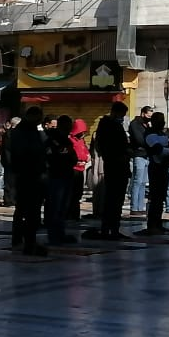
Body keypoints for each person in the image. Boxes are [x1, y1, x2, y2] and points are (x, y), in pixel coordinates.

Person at [9, 107, 47, 254]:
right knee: (25, 211)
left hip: (34, 175)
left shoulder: (31, 131)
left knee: (32, 212)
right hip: (26, 176)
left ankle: (28, 240)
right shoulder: (22, 132)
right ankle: (22, 241)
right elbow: (25, 153)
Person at [93, 102, 130, 239]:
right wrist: (121, 153)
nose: (122, 117)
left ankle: (113, 228)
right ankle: (108, 229)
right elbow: (105, 146)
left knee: (116, 200)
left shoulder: (114, 125)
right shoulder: (107, 126)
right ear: (115, 112)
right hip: (114, 166)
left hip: (119, 165)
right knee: (112, 200)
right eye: (122, 115)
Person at [43, 115, 77, 246]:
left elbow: (71, 156)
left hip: (66, 174)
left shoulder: (65, 140)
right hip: (56, 175)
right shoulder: (53, 139)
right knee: (55, 206)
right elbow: (56, 156)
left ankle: (60, 232)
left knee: (63, 207)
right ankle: (54, 234)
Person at [140, 112, 169, 236]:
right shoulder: (149, 134)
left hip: (164, 167)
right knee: (155, 197)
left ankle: (158, 223)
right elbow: (158, 149)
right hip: (155, 166)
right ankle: (152, 224)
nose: (162, 122)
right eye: (159, 120)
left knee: (161, 197)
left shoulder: (162, 134)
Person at [128, 106, 153, 214]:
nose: (149, 118)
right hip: (138, 154)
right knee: (137, 181)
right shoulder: (135, 124)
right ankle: (134, 207)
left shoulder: (147, 125)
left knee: (143, 182)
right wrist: (149, 142)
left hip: (146, 155)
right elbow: (139, 139)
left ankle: (140, 206)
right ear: (143, 113)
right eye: (148, 115)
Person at [68, 119, 90, 221]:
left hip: (81, 168)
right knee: (72, 193)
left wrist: (87, 156)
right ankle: (69, 214)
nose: (83, 134)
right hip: (73, 168)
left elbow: (85, 151)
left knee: (78, 193)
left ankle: (75, 214)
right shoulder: (70, 140)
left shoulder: (81, 141)